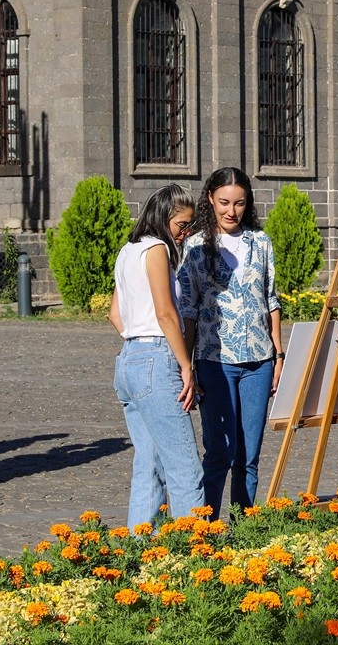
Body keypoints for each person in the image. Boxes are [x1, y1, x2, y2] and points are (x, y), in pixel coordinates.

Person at [178, 168, 282, 520]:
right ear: (210, 198)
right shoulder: (194, 247)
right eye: (224, 202)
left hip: (259, 362)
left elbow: (271, 300)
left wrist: (279, 355)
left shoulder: (261, 242)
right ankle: (206, 529)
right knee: (219, 453)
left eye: (239, 203)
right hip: (214, 362)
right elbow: (188, 310)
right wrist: (186, 365)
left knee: (248, 456)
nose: (231, 211)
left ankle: (242, 530)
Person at [107, 184, 204, 526]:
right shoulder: (158, 249)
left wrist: (137, 341)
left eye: (190, 226)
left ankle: (139, 546)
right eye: (182, 225)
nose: (185, 233)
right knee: (185, 468)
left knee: (148, 467)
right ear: (163, 217)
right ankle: (196, 547)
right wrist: (185, 365)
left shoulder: (128, 250)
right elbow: (166, 314)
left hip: (129, 360)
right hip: (156, 359)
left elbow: (114, 314)